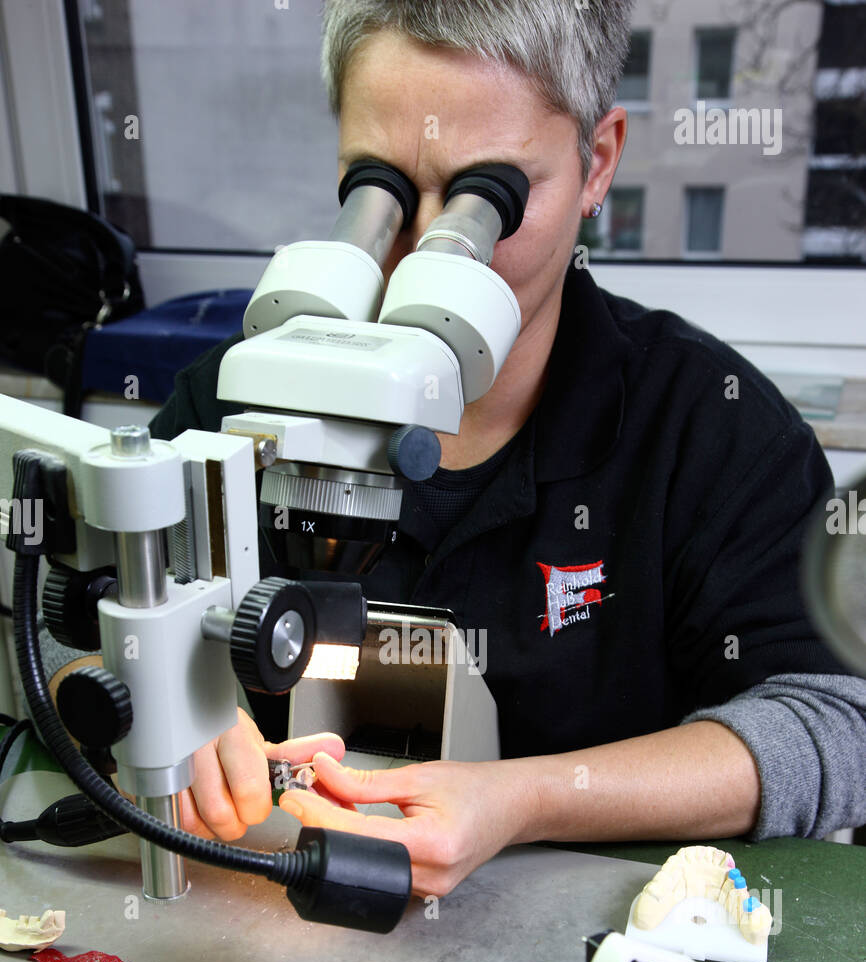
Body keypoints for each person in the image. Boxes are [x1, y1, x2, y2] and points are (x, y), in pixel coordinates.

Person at [149, 0, 866, 900]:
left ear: (595, 162)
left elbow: (834, 723)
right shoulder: (232, 396)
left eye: (487, 199)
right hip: (272, 908)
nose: (424, 252)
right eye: (383, 191)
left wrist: (521, 800)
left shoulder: (710, 429)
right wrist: (156, 709)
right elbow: (70, 632)